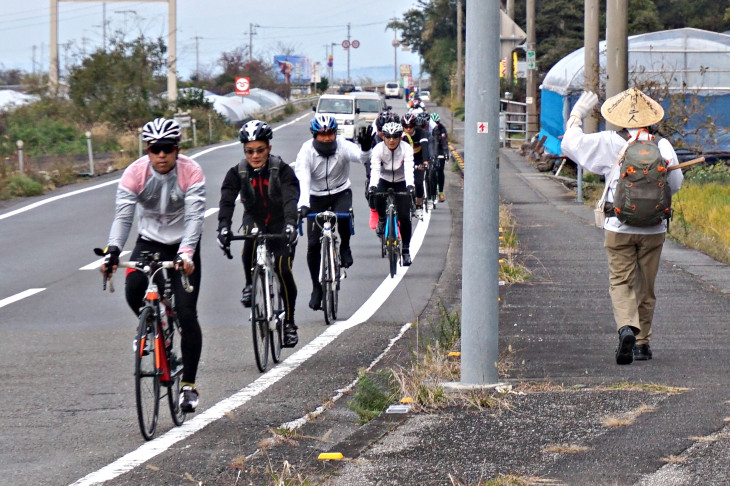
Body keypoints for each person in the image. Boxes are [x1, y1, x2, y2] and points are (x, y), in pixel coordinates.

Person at [561, 88, 683, 365]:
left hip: (618, 225)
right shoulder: (662, 146)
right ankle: (642, 343)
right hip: (654, 228)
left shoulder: (609, 141)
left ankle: (627, 327)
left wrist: (576, 116)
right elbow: (674, 185)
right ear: (651, 119)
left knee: (621, 280)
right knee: (646, 285)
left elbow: (570, 145)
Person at [101, 117, 206, 413]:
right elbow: (123, 218)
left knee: (186, 313)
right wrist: (112, 252)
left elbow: (196, 217)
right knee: (133, 288)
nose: (162, 155)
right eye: (155, 149)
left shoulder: (191, 171)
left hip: (182, 244)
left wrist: (186, 254)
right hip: (149, 242)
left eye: (168, 148)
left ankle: (188, 386)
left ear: (178, 149)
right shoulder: (134, 173)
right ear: (147, 149)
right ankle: (154, 323)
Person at [217, 120, 301, 348]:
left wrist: (291, 224)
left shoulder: (282, 170)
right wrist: (223, 227)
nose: (255, 155)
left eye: (260, 150)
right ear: (244, 151)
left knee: (283, 268)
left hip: (280, 221)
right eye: (249, 151)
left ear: (269, 148)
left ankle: (290, 323)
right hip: (254, 218)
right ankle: (249, 284)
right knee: (249, 240)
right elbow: (226, 201)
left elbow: (291, 199)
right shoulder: (237, 172)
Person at [294, 114, 373, 311]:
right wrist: (303, 205)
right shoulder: (306, 151)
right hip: (315, 196)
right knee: (312, 244)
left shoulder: (342, 145)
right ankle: (316, 288)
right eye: (322, 134)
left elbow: (361, 157)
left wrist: (365, 147)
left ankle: (345, 247)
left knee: (343, 216)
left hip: (340, 192)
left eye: (330, 133)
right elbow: (303, 179)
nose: (327, 138)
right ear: (314, 135)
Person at [368, 121, 415, 266]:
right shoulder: (378, 149)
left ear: (401, 137)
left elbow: (408, 168)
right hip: (384, 179)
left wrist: (410, 185)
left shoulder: (406, 148)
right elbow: (375, 170)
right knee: (376, 197)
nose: (392, 140)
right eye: (388, 137)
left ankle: (406, 251)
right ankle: (382, 219)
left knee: (404, 217)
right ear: (383, 137)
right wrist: (373, 186)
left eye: (395, 137)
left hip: (401, 181)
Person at [402, 111, 430, 219]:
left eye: (410, 126)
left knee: (418, 182)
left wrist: (425, 162)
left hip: (418, 159)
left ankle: (418, 206)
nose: (408, 129)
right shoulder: (401, 135)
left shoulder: (421, 132)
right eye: (405, 126)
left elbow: (424, 147)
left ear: (414, 126)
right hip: (404, 159)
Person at [430, 113, 449, 202]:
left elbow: (444, 142)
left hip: (440, 151)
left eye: (437, 122)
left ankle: (441, 192)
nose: (435, 124)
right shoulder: (429, 129)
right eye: (434, 122)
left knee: (440, 171)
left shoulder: (442, 129)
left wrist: (445, 153)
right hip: (431, 151)